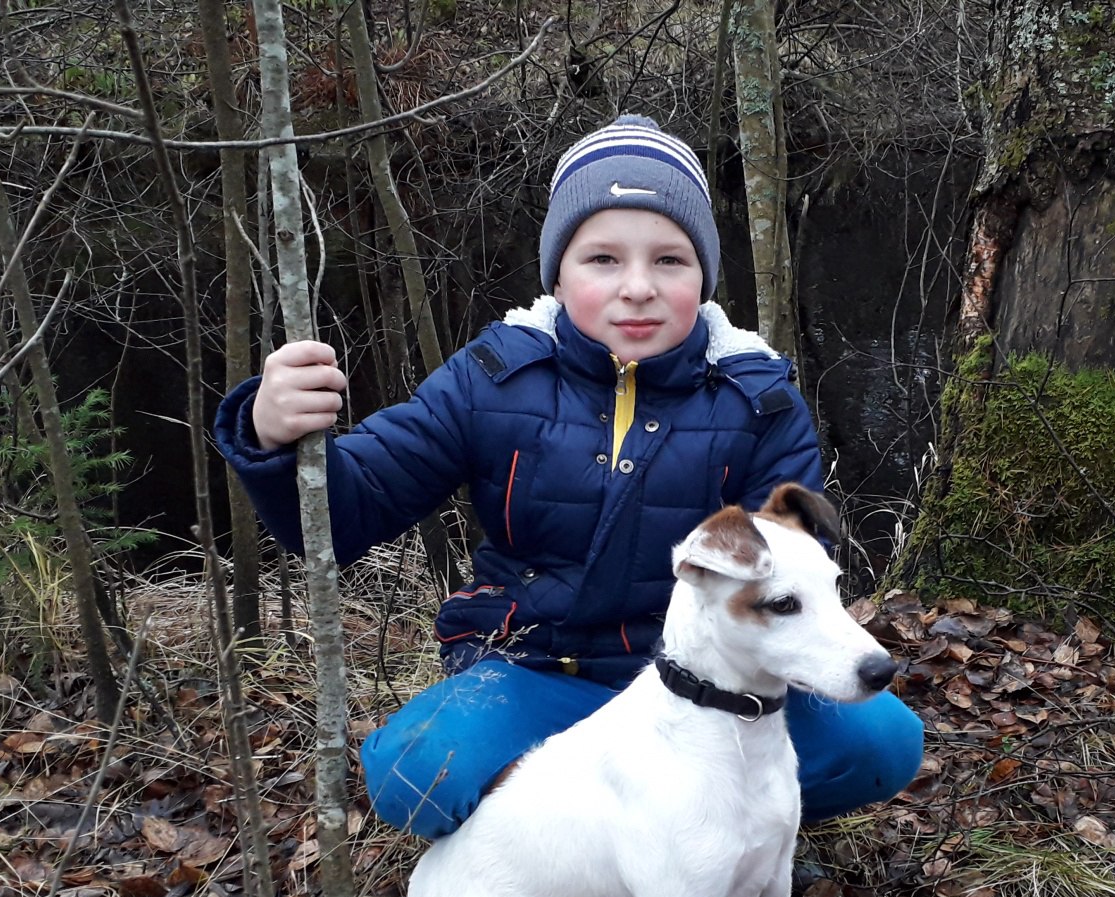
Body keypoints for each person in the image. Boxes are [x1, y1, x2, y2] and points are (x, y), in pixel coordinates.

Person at [214, 115, 923, 839]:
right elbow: (349, 512)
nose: (638, 288)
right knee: (416, 773)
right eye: (604, 259)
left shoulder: (757, 396)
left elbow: (791, 573)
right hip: (538, 669)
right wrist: (273, 434)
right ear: (558, 272)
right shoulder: (493, 376)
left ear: (705, 275)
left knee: (879, 744)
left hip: (706, 679)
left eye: (671, 261)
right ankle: (579, 862)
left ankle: (722, 844)